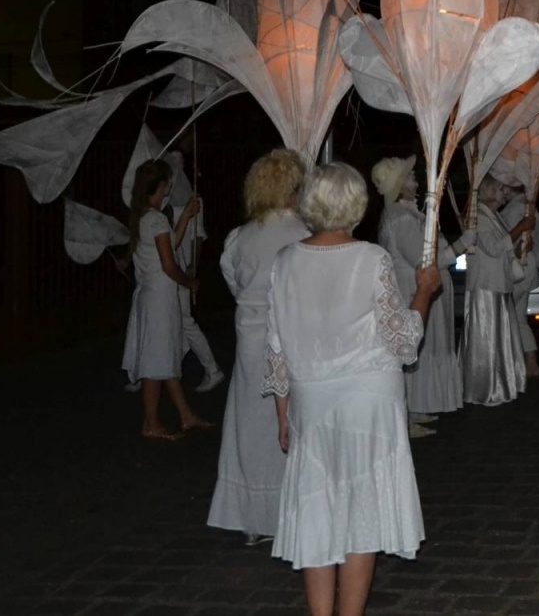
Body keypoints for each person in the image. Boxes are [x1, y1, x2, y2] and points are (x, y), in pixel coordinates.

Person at [264, 162, 441, 616]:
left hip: (313, 401)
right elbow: (403, 343)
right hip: (368, 401)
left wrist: (283, 414)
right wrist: (424, 292)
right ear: (355, 205)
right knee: (362, 512)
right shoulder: (371, 259)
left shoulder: (284, 262)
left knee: (318, 510)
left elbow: (277, 346)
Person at [209, 149, 309, 543]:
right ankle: (286, 513)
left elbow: (234, 283)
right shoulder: (304, 236)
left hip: (250, 343)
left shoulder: (239, 238)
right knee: (290, 426)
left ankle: (253, 518)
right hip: (290, 339)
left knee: (251, 427)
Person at [121, 159, 210, 439]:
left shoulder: (145, 217)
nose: (171, 185)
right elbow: (170, 265)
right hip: (159, 300)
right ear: (160, 186)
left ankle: (186, 416)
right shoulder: (156, 220)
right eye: (168, 182)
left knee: (164, 358)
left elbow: (171, 244)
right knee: (155, 363)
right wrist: (191, 281)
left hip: (152, 297)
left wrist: (185, 217)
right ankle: (151, 424)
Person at [372, 157, 462, 435]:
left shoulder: (408, 214)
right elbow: (423, 261)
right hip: (413, 288)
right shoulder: (401, 218)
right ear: (400, 187)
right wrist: (460, 246)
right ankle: (407, 413)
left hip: (416, 286)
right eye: (411, 178)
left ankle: (417, 404)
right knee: (416, 346)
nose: (415, 181)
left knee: (423, 347)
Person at [459, 176, 534, 406]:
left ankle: (500, 382)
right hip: (485, 285)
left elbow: (501, 247)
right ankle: (485, 386)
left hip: (497, 283)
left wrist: (519, 245)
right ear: (489, 191)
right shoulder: (478, 218)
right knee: (487, 339)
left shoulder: (492, 216)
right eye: (500, 188)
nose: (504, 193)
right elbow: (492, 248)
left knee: (499, 337)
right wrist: (519, 228)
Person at [163, 151, 224, 394]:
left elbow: (198, 236)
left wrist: (192, 268)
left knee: (184, 320)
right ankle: (159, 370)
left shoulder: (192, 199)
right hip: (169, 267)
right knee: (175, 321)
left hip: (180, 268)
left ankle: (212, 369)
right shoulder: (165, 203)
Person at [501, 188, 539, 380]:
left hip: (518, 269)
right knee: (518, 319)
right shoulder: (524, 207)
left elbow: (511, 241)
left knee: (505, 316)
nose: (503, 191)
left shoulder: (515, 209)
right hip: (527, 268)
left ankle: (509, 363)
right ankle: (530, 362)